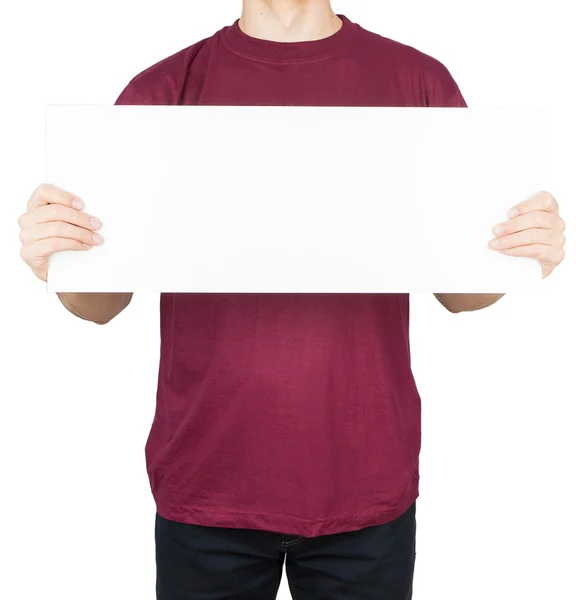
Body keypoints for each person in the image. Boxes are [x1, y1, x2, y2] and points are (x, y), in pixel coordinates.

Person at [18, 1, 566, 598]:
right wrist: (58, 257)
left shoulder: (417, 81)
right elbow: (98, 303)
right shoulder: (162, 90)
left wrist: (518, 253)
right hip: (206, 479)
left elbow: (461, 296)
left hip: (365, 479)